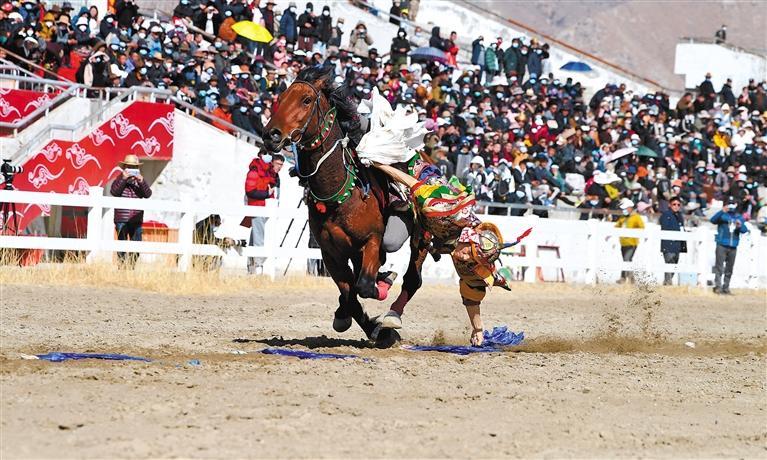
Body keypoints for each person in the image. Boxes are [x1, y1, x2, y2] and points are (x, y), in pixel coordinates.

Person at [356, 90, 516, 347]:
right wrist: (377, 164)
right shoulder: (442, 209)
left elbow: (473, 289)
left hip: (426, 217)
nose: (463, 259)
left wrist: (478, 329)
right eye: (468, 254)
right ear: (468, 241)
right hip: (408, 167)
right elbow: (411, 182)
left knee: (406, 252)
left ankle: (395, 309)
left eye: (469, 259)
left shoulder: (475, 253)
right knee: (369, 134)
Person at [110, 154, 152, 269]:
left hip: (136, 219)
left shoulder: (140, 182)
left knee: (136, 245)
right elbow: (114, 192)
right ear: (124, 167)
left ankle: (131, 267)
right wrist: (123, 179)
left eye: (134, 167)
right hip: (121, 219)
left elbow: (148, 194)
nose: (132, 169)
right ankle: (121, 267)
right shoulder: (119, 179)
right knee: (121, 245)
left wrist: (141, 181)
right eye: (129, 166)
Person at [244, 151, 284, 274]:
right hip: (258, 207)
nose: (279, 167)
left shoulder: (272, 175)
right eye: (278, 164)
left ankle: (252, 268)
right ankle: (258, 267)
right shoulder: (255, 171)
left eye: (281, 165)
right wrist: (267, 194)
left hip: (267, 208)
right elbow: (250, 191)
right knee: (259, 238)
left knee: (255, 237)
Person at [710, 196, 749, 294]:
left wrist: (740, 226)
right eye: (729, 203)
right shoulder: (722, 215)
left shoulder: (739, 217)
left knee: (729, 268)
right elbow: (712, 220)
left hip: (733, 246)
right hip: (722, 244)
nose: (731, 206)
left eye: (733, 203)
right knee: (719, 267)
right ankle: (718, 286)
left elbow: (744, 230)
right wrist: (721, 211)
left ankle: (726, 287)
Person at [615, 198, 644, 283]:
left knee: (626, 259)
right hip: (623, 243)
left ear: (630, 208)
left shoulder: (636, 217)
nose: (624, 210)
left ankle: (625, 278)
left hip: (632, 243)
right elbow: (617, 226)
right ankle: (630, 278)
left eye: (625, 208)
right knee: (627, 260)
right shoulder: (623, 218)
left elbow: (642, 227)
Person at [659, 196, 685, 285]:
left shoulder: (680, 216)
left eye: (678, 204)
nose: (676, 206)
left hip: (677, 245)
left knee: (674, 266)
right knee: (669, 264)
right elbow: (665, 229)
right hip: (668, 244)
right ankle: (668, 283)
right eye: (674, 204)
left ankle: (667, 283)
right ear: (670, 205)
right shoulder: (666, 215)